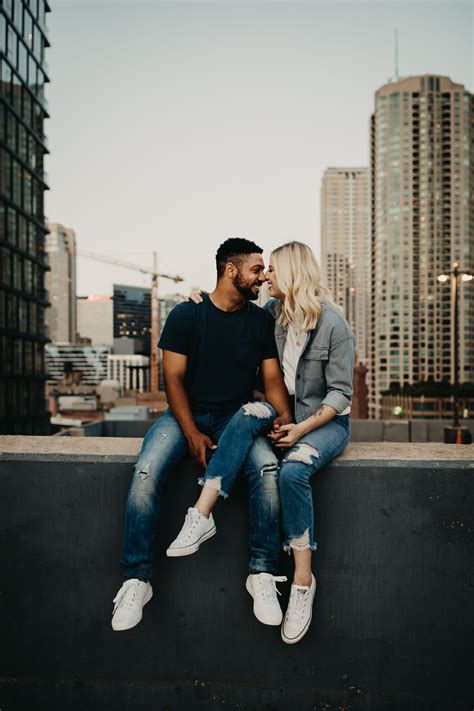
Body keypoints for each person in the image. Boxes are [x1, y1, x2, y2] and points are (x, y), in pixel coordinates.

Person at [172, 241, 354, 644]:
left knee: (292, 469)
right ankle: (202, 514)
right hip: (281, 415)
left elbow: (340, 395)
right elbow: (227, 307)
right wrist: (197, 299)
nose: (266, 276)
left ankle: (302, 584)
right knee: (249, 411)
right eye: (263, 269)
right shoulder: (269, 314)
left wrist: (301, 431)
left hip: (323, 424)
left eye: (272, 269)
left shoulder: (333, 324)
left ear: (291, 273)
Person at [111, 238, 292, 632]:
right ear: (231, 270)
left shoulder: (261, 320)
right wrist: (191, 431)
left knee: (266, 471)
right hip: (185, 415)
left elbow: (273, 379)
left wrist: (285, 419)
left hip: (235, 417)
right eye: (257, 269)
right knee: (146, 472)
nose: (263, 277)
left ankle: (261, 572)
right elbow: (171, 379)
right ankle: (136, 580)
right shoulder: (186, 315)